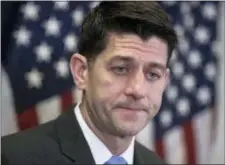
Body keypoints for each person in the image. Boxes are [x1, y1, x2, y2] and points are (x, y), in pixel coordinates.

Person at [1, 1, 177, 164]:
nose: (138, 89)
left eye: (153, 74)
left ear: (165, 80)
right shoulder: (13, 157)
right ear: (81, 72)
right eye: (121, 69)